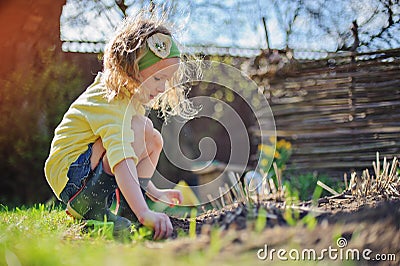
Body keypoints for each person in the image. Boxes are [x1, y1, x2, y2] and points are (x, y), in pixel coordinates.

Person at [44, 11, 194, 240]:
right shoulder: (112, 101)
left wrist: (152, 192)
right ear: (131, 68)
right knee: (134, 130)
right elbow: (122, 159)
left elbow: (131, 160)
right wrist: (145, 213)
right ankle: (88, 207)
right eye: (157, 78)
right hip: (71, 176)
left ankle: (129, 210)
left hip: (86, 168)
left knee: (150, 136)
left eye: (165, 81)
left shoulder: (129, 101)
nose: (163, 88)